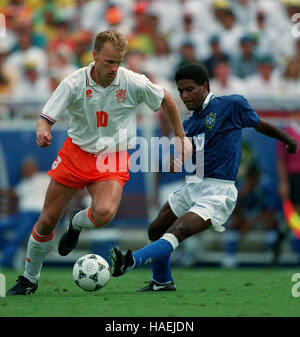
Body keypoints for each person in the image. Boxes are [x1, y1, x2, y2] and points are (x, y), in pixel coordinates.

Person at [6, 30, 192, 296]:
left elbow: (166, 98)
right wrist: (42, 131)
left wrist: (180, 136)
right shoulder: (73, 82)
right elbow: (45, 119)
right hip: (76, 153)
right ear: (94, 56)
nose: (114, 68)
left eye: (118, 61)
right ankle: (29, 279)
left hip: (113, 156)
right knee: (47, 220)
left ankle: (77, 223)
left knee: (104, 213)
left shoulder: (132, 82)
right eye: (109, 62)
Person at [109, 63, 297, 292]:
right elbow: (185, 152)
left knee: (178, 230)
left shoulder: (231, 104)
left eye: (189, 89)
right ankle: (162, 281)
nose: (185, 96)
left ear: (205, 86)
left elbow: (260, 125)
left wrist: (288, 139)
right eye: (180, 92)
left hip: (219, 191)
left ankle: (131, 261)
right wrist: (175, 160)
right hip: (194, 186)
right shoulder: (188, 123)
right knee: (155, 229)